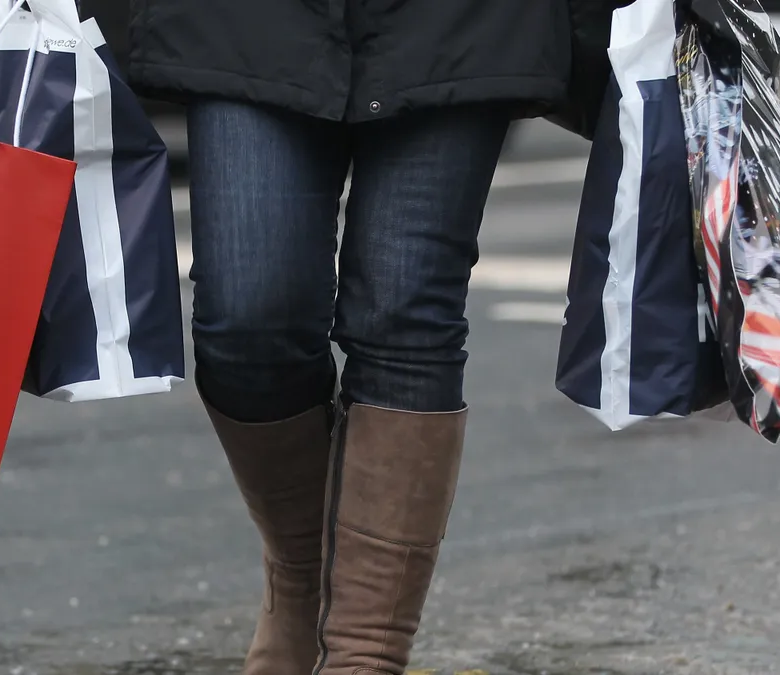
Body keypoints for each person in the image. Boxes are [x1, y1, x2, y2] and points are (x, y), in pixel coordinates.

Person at [124, 2, 571, 673]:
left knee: (406, 306)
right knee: (248, 318)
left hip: (461, 21)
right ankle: (305, 576)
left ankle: (366, 649)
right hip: (253, 20)